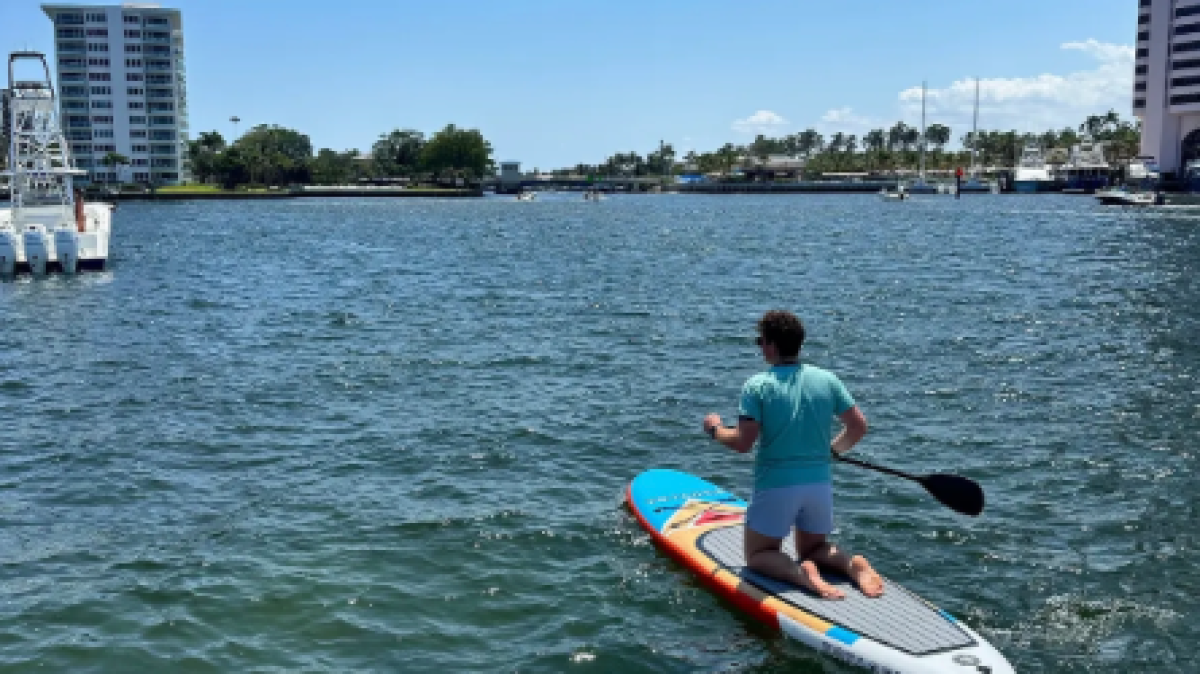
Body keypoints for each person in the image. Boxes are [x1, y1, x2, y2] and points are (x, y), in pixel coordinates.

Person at [702, 310, 884, 600]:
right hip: (818, 483)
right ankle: (851, 564)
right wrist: (832, 451)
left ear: (772, 345)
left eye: (760, 341)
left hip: (776, 484)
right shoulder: (827, 380)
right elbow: (858, 427)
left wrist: (714, 429)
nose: (760, 346)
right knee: (813, 548)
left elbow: (742, 443)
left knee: (759, 554)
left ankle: (803, 575)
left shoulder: (757, 386)